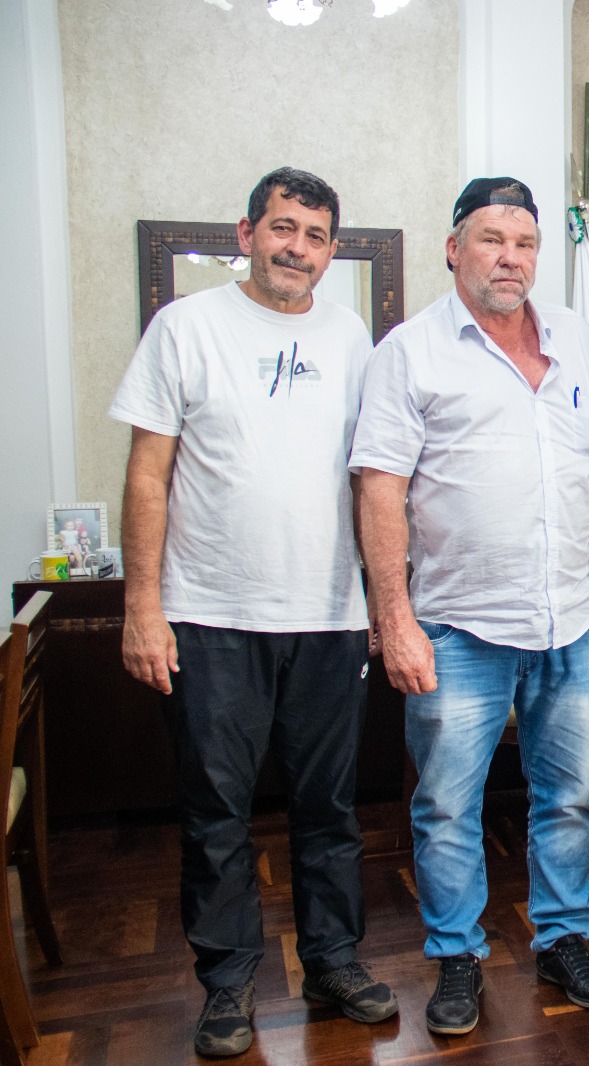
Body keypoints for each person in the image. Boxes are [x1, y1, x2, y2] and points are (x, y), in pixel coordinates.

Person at [111, 167, 396, 1058]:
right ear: (246, 232)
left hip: (326, 615)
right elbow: (147, 473)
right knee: (216, 814)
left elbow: (372, 478)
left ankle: (335, 960)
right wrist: (141, 606)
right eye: (282, 228)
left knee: (329, 810)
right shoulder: (185, 328)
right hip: (209, 615)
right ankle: (228, 986)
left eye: (315, 236)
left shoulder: (353, 338)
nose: (296, 248)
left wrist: (384, 605)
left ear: (330, 250)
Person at [350, 178, 589, 1035]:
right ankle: (458, 957)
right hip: (458, 626)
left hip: (572, 620)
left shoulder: (578, 339)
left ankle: (563, 938)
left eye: (525, 242)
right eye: (492, 239)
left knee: (571, 794)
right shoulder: (411, 350)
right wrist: (394, 619)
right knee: (446, 806)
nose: (511, 257)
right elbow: (379, 488)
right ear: (453, 247)